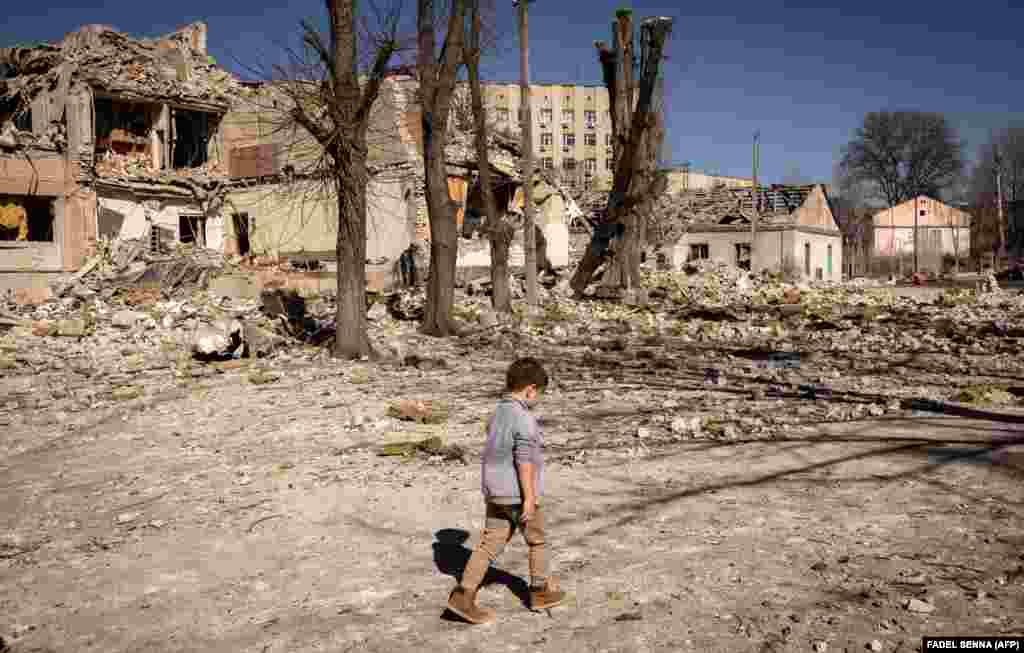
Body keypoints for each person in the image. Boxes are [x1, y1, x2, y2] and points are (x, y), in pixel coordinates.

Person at [445, 358, 565, 624]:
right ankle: (539, 592)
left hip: (494, 492)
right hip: (517, 493)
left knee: (488, 545)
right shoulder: (524, 419)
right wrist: (530, 499)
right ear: (530, 390)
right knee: (537, 541)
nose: (537, 399)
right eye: (539, 395)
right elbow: (524, 462)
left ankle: (463, 596)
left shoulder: (496, 413)